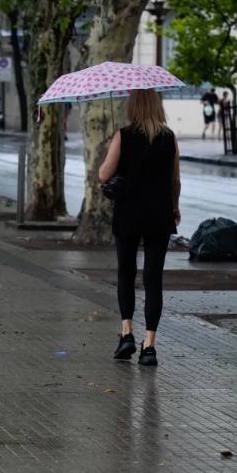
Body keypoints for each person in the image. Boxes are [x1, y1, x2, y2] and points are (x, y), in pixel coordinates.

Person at [98, 89, 181, 366]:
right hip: (159, 214)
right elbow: (175, 179)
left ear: (132, 107)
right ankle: (150, 346)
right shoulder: (169, 137)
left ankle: (126, 335)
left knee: (126, 272)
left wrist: (111, 148)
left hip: (128, 213)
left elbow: (104, 175)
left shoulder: (123, 135)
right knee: (153, 278)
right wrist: (174, 206)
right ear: (157, 105)